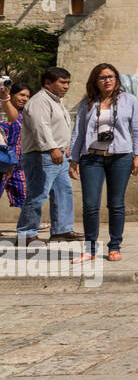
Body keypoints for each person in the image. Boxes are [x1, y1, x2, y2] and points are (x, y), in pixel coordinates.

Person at [68, 63, 138, 261]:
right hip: (92, 158)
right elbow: (78, 132)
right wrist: (74, 159)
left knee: (116, 204)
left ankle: (115, 246)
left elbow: (137, 130)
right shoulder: (87, 103)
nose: (107, 80)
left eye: (111, 76)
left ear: (117, 79)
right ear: (95, 81)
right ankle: (90, 249)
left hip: (120, 157)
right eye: (102, 77)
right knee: (90, 205)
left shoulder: (129, 101)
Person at [17, 67, 78, 246]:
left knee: (63, 192)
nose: (66, 86)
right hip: (41, 155)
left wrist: (63, 148)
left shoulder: (56, 101)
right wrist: (52, 148)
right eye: (62, 82)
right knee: (37, 195)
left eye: (68, 83)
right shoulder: (40, 101)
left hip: (57, 155)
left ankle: (62, 229)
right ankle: (26, 234)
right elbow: (40, 127)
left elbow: (57, 127)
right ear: (48, 83)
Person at [0, 82, 32, 221]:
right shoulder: (2, 111)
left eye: (27, 96)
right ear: (11, 95)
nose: (25, 99)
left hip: (18, 164)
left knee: (25, 196)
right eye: (21, 95)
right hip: (2, 162)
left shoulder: (26, 115)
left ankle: (30, 224)